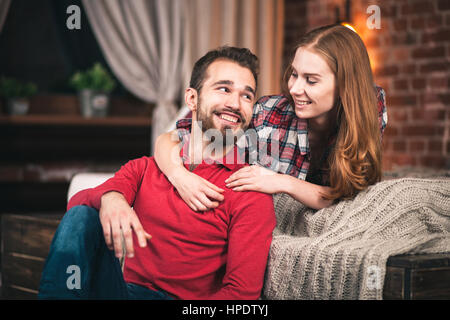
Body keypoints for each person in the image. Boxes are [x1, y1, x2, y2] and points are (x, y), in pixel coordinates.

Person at [38, 46, 276, 300]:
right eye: (224, 89)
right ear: (192, 99)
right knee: (84, 216)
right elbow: (76, 205)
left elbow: (240, 295)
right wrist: (112, 199)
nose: (235, 104)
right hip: (122, 293)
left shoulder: (248, 191)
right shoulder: (147, 168)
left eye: (247, 96)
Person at [154, 24, 388, 211]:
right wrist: (178, 175)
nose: (295, 88)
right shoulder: (268, 114)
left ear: (345, 86)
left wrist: (281, 182)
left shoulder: (370, 104)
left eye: (311, 80)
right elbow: (173, 138)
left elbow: (350, 196)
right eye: (294, 74)